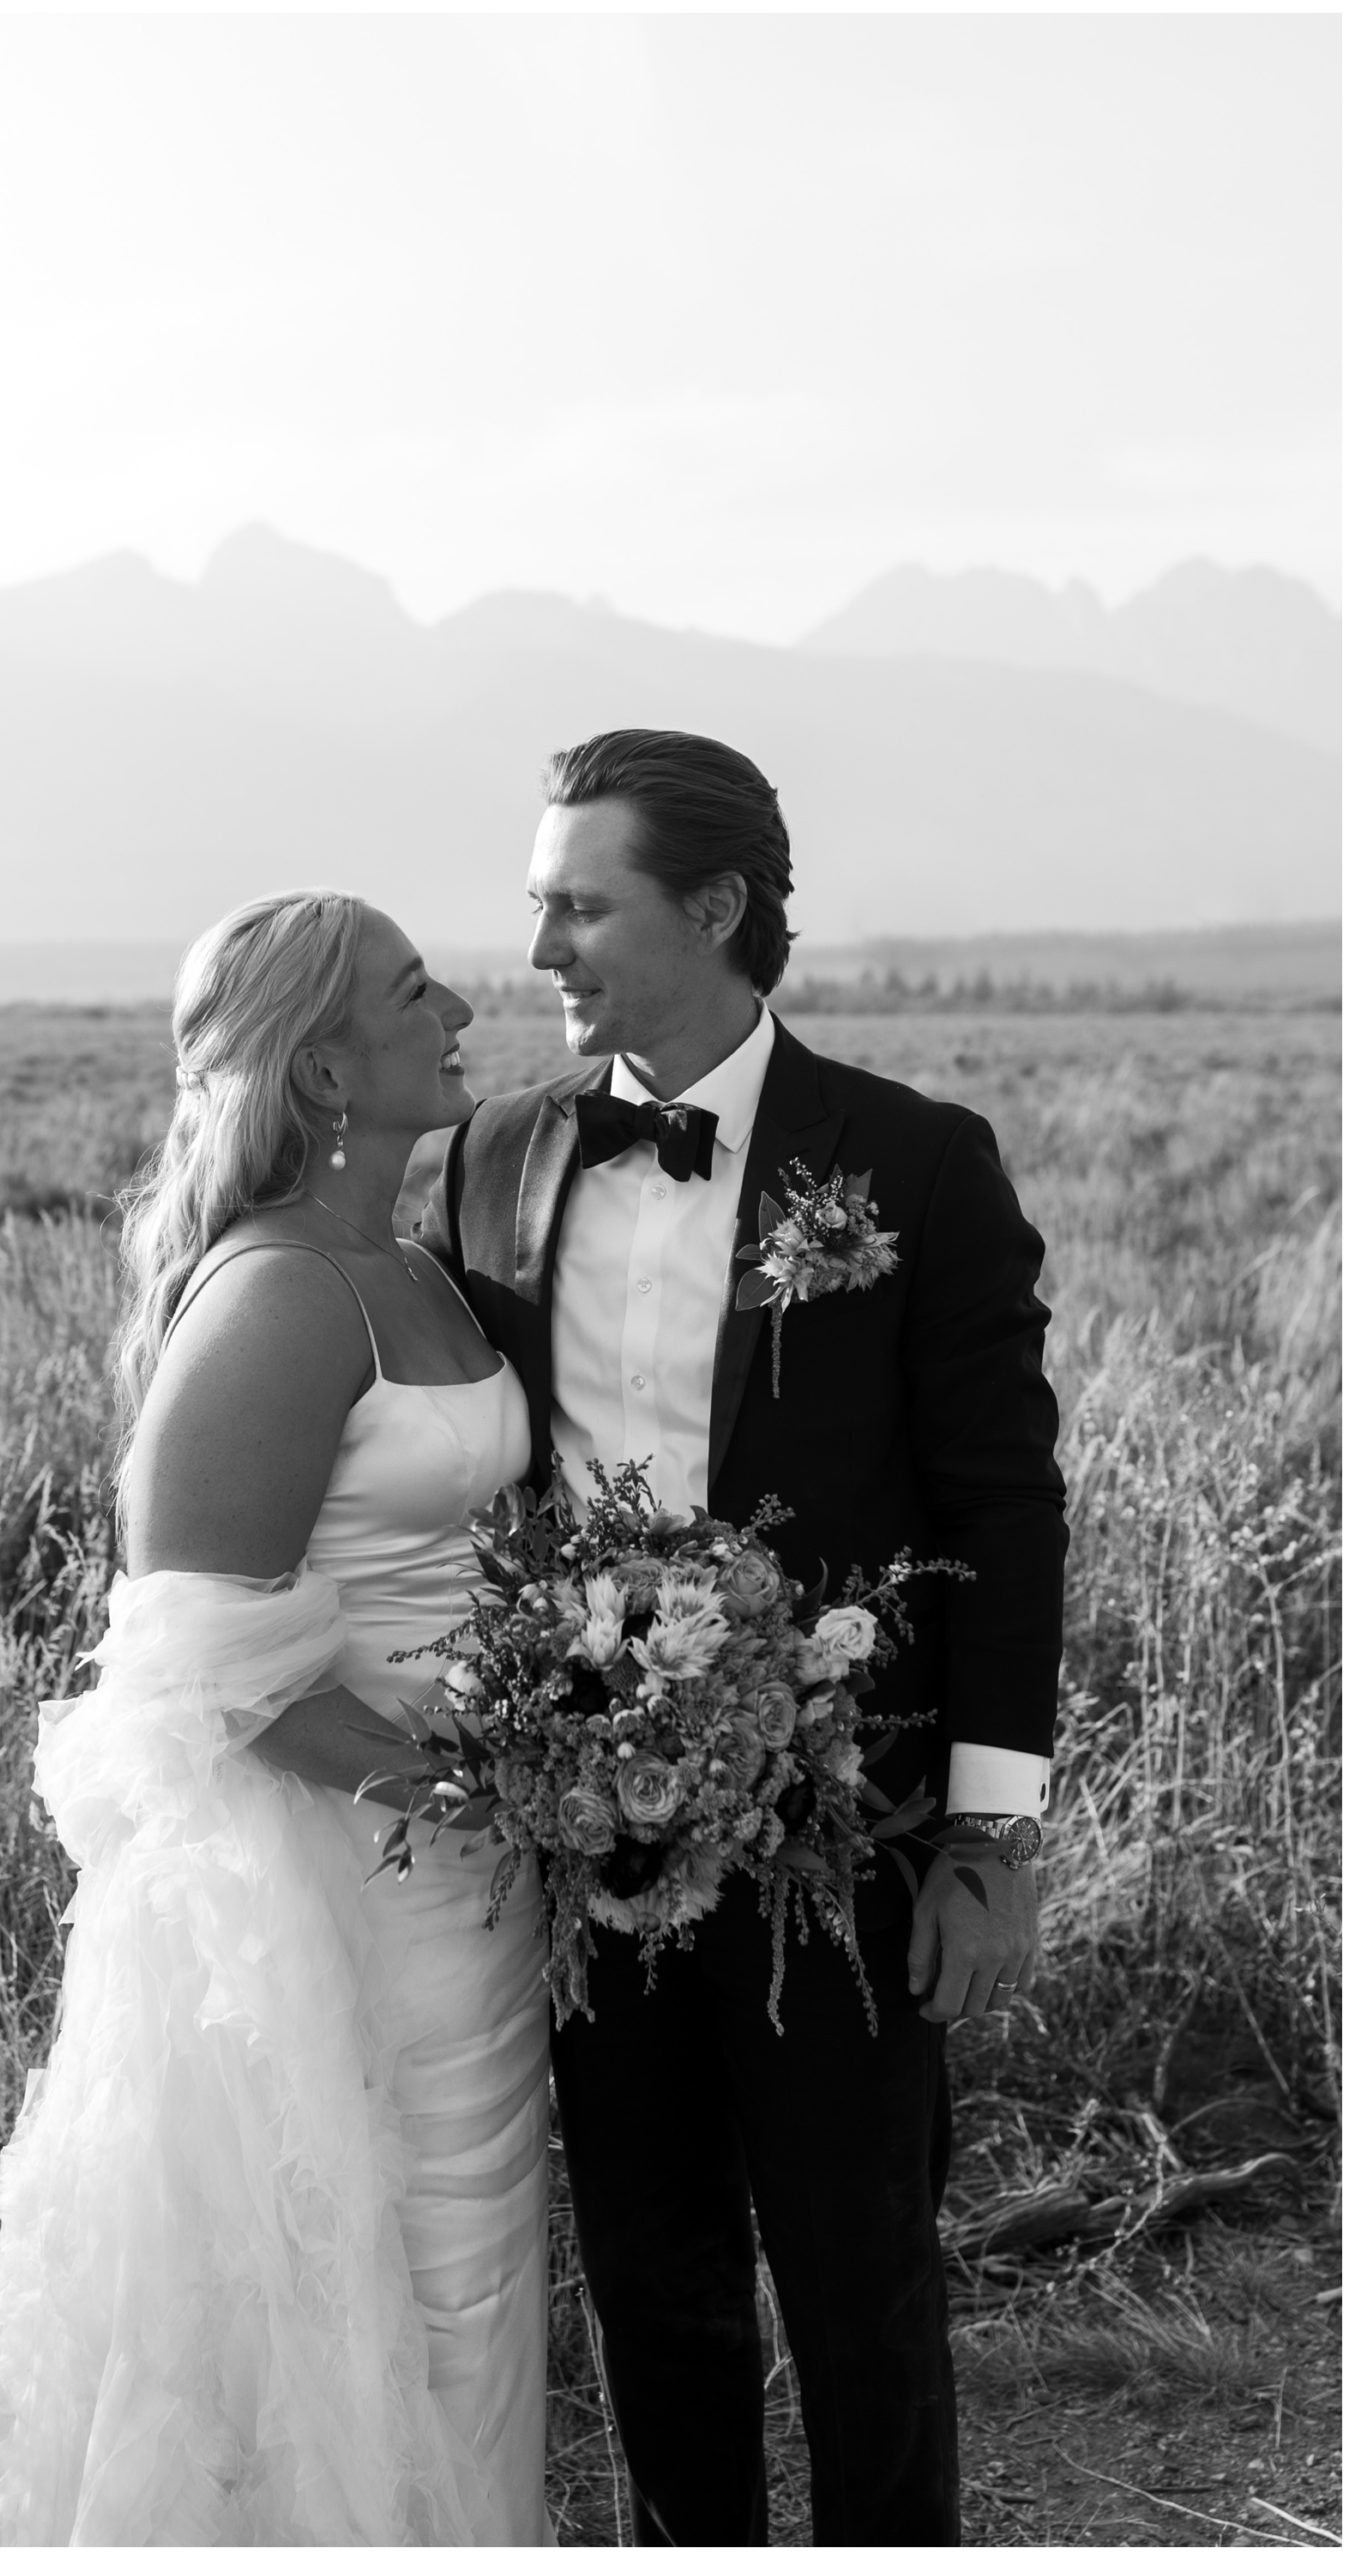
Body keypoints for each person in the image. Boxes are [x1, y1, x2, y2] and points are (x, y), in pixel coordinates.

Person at [0, 892, 552, 2548]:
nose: (457, 1014)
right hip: (351, 1888)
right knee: (358, 2295)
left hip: (468, 1886)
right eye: (414, 993)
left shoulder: (409, 1266)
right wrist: (488, 1790)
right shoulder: (281, 1298)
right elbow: (201, 1675)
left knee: (467, 2279)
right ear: (325, 1073)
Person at [419, 728, 1067, 2547]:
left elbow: (1006, 1511)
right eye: (538, 901)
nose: (541, 946)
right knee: (649, 2275)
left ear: (714, 907)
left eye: (581, 905)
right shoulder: (487, 1160)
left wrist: (990, 1834)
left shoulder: (915, 1163)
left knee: (865, 2281)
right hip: (582, 1819)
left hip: (850, 1820)